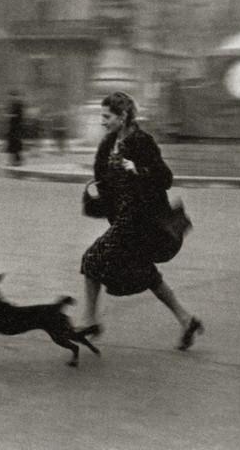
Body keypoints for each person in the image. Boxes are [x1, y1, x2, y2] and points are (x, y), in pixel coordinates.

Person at [78, 91, 204, 350]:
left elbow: (165, 178)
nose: (103, 121)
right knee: (146, 274)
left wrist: (138, 170)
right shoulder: (108, 143)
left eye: (107, 116)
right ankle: (186, 319)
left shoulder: (142, 141)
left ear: (123, 116)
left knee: (92, 259)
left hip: (142, 221)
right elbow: (104, 178)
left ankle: (90, 321)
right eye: (102, 116)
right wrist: (101, 194)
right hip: (123, 220)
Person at [5, 90, 24, 166]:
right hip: (13, 127)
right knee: (13, 144)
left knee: (15, 144)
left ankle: (15, 161)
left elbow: (18, 116)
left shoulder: (18, 105)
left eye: (11, 96)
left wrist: (10, 115)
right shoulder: (13, 105)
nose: (10, 98)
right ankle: (15, 160)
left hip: (16, 127)